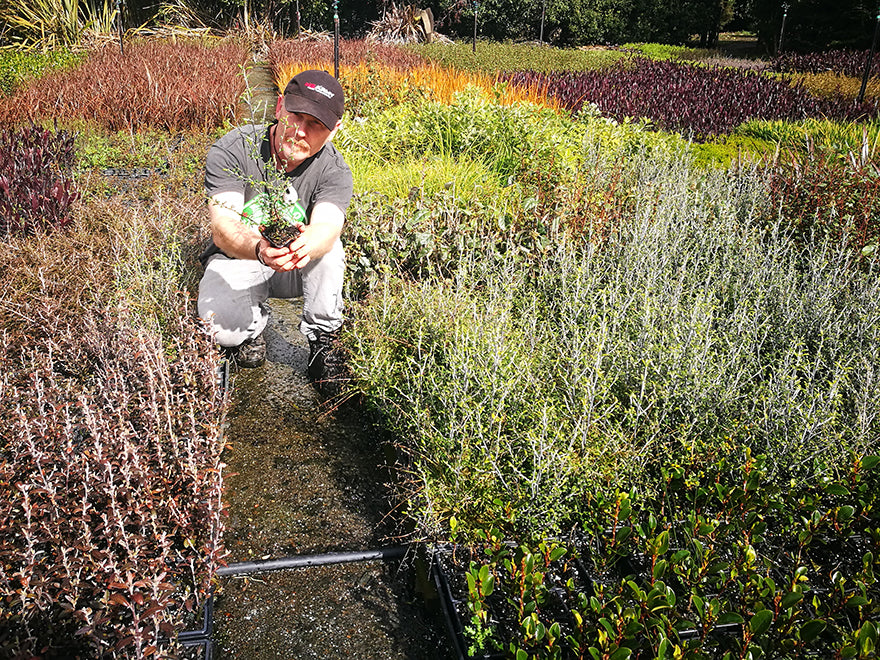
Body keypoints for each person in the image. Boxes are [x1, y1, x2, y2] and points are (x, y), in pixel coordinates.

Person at [197, 70, 353, 393]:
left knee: (331, 250)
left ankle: (323, 338)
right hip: (243, 259)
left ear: (334, 130)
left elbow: (328, 224)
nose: (300, 132)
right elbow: (223, 228)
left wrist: (308, 243)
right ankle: (250, 328)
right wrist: (260, 250)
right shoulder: (234, 149)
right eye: (296, 116)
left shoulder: (334, 170)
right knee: (218, 326)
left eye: (316, 126)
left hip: (296, 265)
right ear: (279, 106)